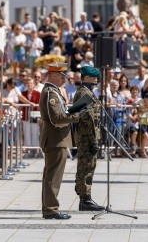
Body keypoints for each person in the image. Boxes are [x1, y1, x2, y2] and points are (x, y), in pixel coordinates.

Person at [39, 63, 85, 220]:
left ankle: (49, 207)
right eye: (62, 76)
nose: (64, 80)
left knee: (52, 176)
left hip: (57, 139)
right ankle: (51, 209)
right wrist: (78, 116)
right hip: (55, 139)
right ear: (53, 75)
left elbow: (61, 113)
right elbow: (57, 119)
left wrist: (73, 110)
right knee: (53, 177)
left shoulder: (54, 91)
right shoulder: (50, 93)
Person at [73, 66, 105, 212]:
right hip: (86, 137)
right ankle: (85, 199)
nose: (96, 79)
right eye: (94, 77)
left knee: (85, 167)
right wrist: (93, 140)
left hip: (85, 136)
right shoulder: (84, 93)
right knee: (87, 167)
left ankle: (84, 198)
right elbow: (88, 119)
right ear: (86, 78)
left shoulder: (84, 92)